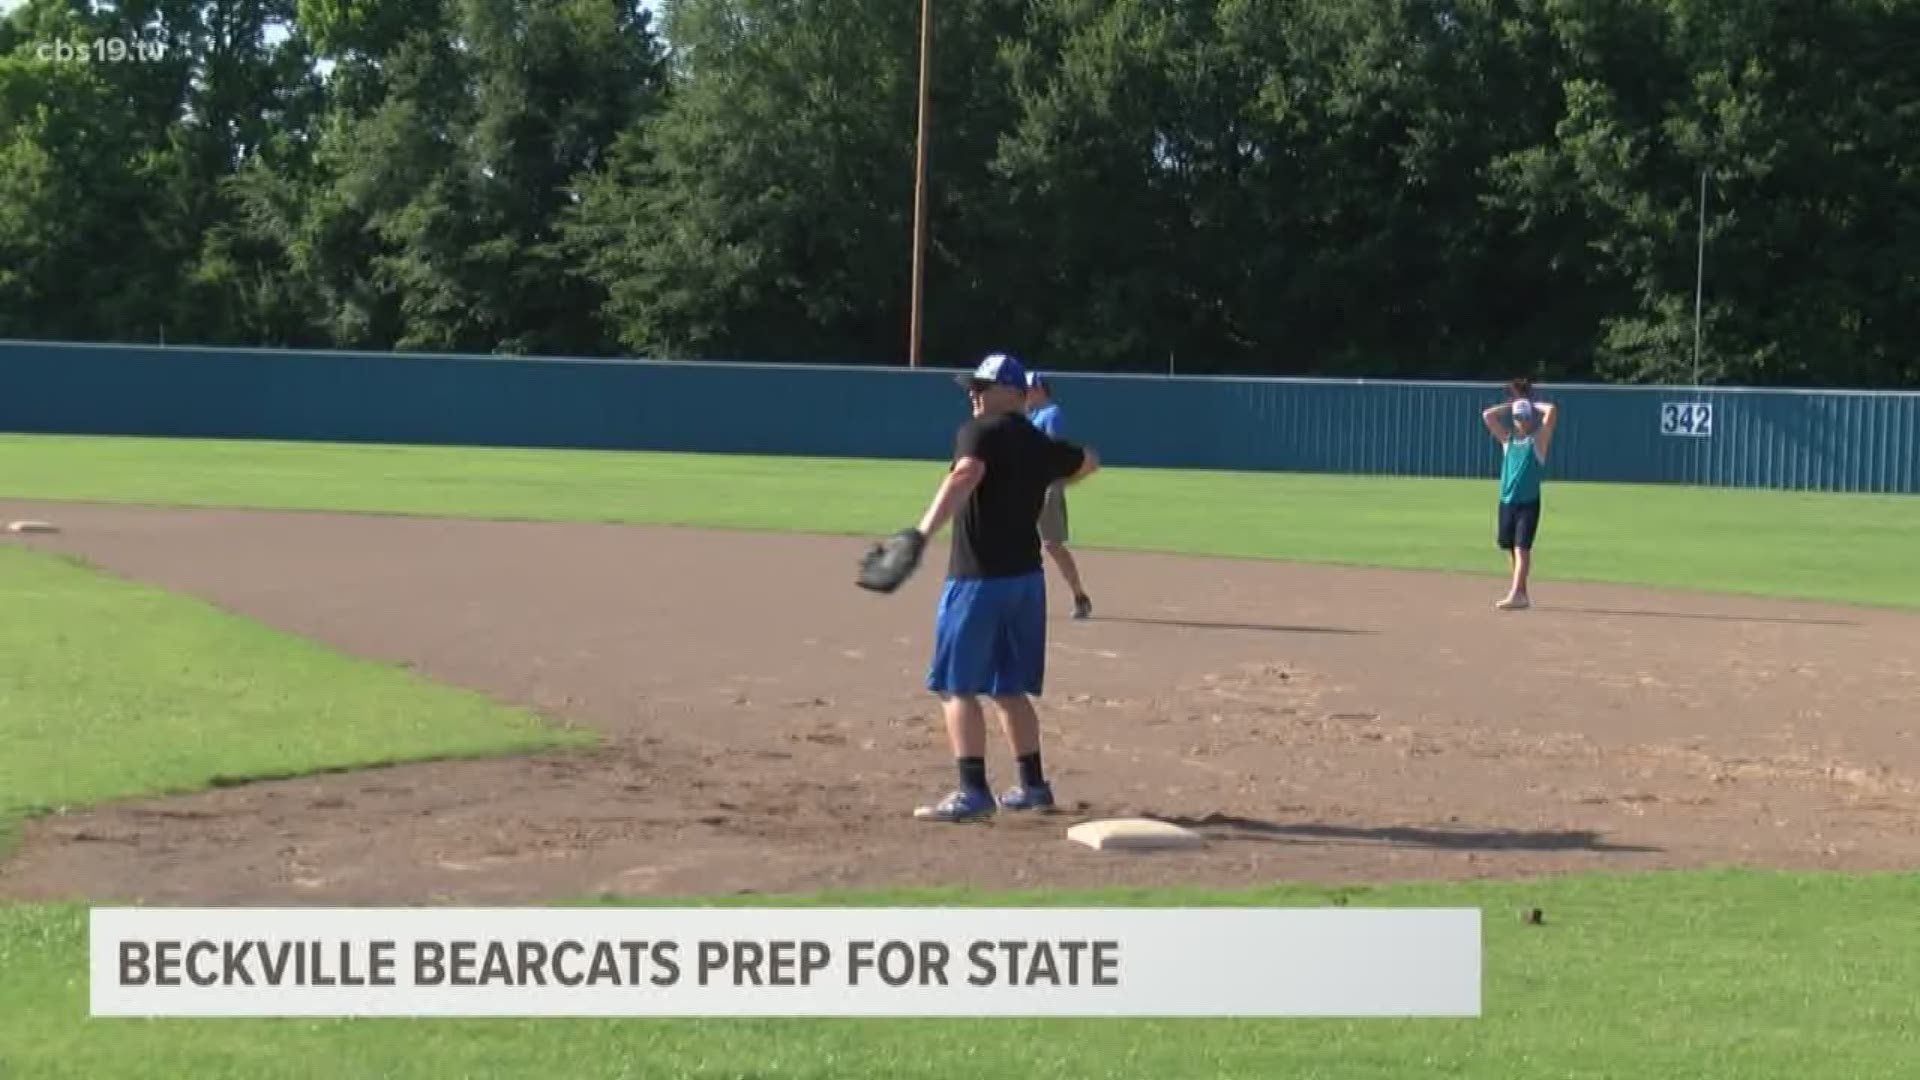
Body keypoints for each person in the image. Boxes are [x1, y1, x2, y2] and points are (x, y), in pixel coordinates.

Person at [907, 353, 1100, 822]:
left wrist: (921, 533)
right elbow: (1089, 461)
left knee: (957, 688)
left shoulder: (980, 432)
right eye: (971, 386)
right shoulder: (1037, 439)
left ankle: (972, 792)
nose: (973, 393)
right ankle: (1034, 787)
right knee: (1009, 688)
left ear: (1013, 392)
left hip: (978, 580)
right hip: (1026, 583)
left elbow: (966, 474)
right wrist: (1037, 482)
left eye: (982, 386)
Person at [1481, 379, 1559, 610]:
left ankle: (1516, 594)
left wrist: (1530, 404)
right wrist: (1513, 405)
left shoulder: (1538, 441)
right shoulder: (1509, 441)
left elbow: (1552, 411)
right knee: (1510, 546)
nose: (1522, 421)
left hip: (1528, 502)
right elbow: (1488, 416)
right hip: (1507, 500)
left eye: (1525, 417)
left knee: (1521, 548)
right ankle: (1522, 592)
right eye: (1518, 417)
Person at [1023, 371, 1094, 619]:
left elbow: (1052, 450)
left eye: (1029, 388)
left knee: (1051, 544)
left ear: (1040, 389)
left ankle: (1079, 595)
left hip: (1046, 487)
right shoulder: (1031, 415)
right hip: (1026, 486)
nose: (1025, 393)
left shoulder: (1052, 414)